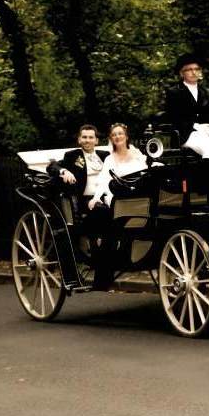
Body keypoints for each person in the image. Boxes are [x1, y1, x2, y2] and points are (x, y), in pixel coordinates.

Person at [85, 123, 149, 291]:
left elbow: (145, 174)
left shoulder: (137, 154)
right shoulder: (109, 159)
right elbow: (103, 181)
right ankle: (106, 270)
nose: (117, 137)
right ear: (111, 139)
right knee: (111, 207)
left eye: (120, 134)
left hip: (137, 194)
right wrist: (96, 198)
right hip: (117, 196)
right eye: (114, 135)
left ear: (126, 136)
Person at [164, 53, 209, 160]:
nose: (194, 72)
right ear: (182, 73)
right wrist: (196, 126)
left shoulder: (207, 92)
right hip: (186, 135)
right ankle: (207, 176)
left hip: (207, 133)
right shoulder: (174, 92)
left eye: (197, 69)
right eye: (189, 69)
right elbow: (173, 117)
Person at [46, 125, 109, 204]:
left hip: (107, 196)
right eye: (84, 137)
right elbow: (52, 166)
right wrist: (64, 171)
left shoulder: (105, 155)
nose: (87, 140)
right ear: (79, 140)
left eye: (91, 137)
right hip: (87, 200)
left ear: (96, 141)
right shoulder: (72, 155)